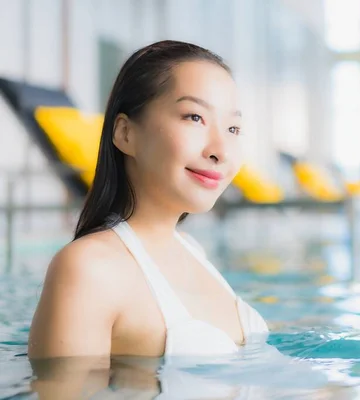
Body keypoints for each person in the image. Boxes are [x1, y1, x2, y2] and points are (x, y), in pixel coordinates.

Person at [27, 40, 269, 361]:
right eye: (194, 117)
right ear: (126, 134)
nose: (220, 151)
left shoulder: (191, 249)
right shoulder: (89, 269)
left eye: (233, 127)